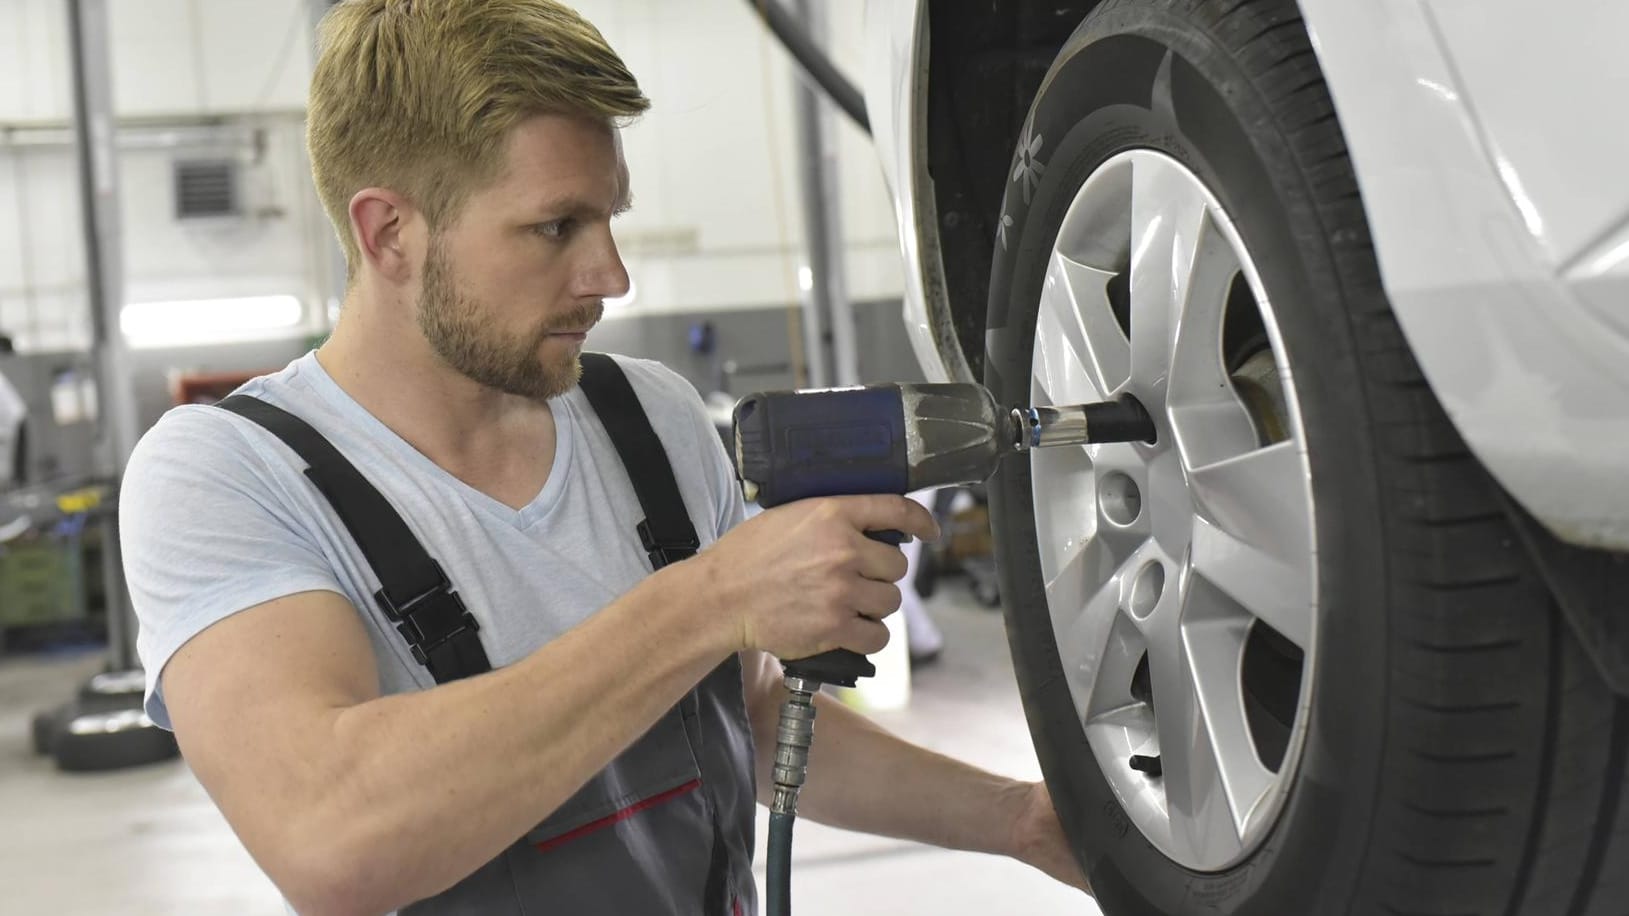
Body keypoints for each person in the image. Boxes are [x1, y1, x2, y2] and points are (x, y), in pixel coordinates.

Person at [119, 2, 1089, 913]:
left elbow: (748, 711)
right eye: (556, 227)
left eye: (611, 217)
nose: (610, 276)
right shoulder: (228, 475)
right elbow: (330, 835)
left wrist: (1019, 819)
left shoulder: (647, 418)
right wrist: (710, 598)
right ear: (391, 233)